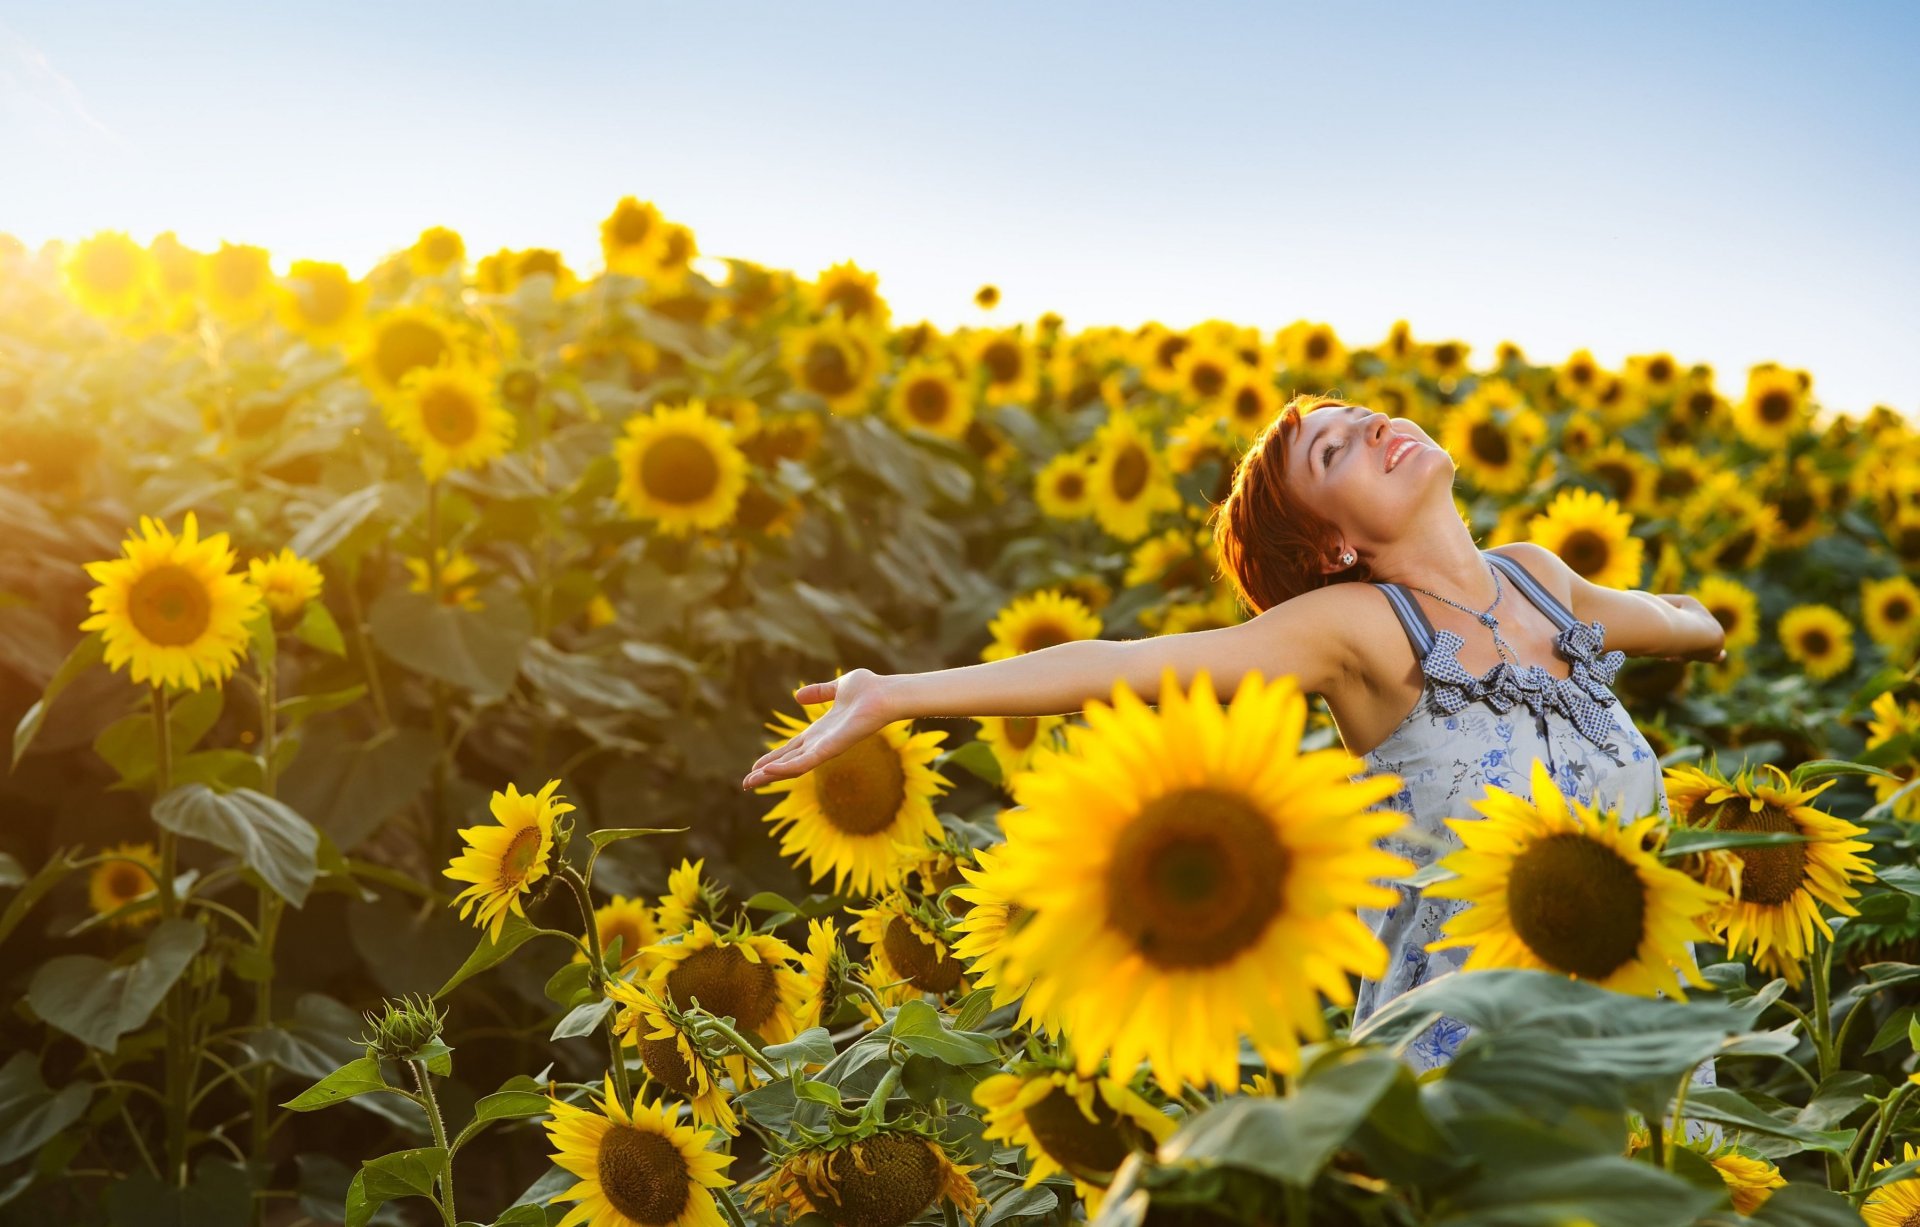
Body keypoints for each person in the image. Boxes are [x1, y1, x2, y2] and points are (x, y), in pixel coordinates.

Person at [738, 392, 1728, 1136]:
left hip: (1652, 1054)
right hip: (1469, 1090)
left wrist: (1696, 628)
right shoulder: (1361, 631)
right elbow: (1124, 667)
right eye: (1332, 449)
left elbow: (1684, 622)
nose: (1374, 424)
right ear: (1334, 547)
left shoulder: (1543, 585)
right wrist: (901, 692)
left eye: (1360, 413)